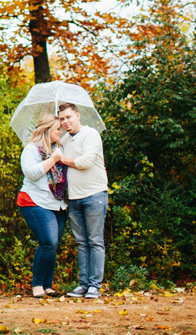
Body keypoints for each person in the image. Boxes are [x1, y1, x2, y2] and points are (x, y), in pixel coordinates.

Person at [58, 102, 108, 299]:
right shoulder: (64, 140)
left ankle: (95, 286)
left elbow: (86, 162)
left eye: (68, 117)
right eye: (62, 119)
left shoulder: (91, 134)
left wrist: (62, 159)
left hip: (94, 194)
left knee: (95, 241)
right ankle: (83, 284)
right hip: (74, 198)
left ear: (78, 116)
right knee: (81, 242)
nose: (65, 121)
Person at [17, 113, 68, 299]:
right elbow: (30, 173)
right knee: (48, 242)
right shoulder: (31, 149)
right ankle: (37, 284)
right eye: (57, 129)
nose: (61, 131)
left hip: (58, 204)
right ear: (47, 130)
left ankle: (48, 285)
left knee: (51, 246)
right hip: (34, 200)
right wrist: (53, 159)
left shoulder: (60, 148)